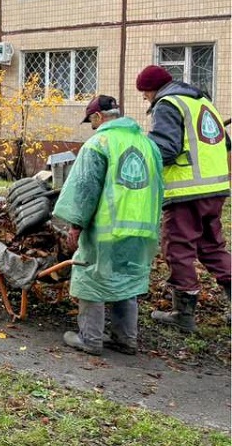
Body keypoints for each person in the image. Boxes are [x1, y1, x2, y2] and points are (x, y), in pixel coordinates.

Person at [52, 95, 164, 356]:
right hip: (143, 228)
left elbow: (85, 189)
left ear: (98, 117)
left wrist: (75, 225)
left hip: (108, 228)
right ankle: (126, 339)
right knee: (127, 279)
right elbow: (159, 186)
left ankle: (90, 339)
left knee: (92, 275)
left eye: (91, 121)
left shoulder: (99, 143)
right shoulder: (148, 145)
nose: (91, 126)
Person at [136, 64, 231, 331]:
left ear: (151, 89)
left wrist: (139, 158)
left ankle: (184, 315)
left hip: (186, 191)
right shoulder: (202, 103)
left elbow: (165, 148)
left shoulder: (167, 104)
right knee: (212, 247)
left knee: (178, 249)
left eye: (144, 94)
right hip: (216, 188)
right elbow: (226, 144)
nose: (145, 99)